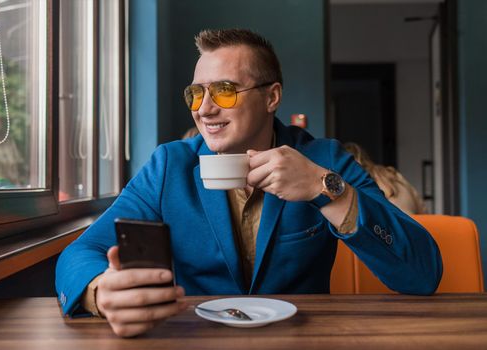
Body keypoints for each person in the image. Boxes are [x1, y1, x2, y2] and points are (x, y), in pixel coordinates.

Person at [55, 28, 442, 337]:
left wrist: (325, 188)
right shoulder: (168, 165)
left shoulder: (324, 160)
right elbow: (80, 252)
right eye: (195, 93)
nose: (204, 109)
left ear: (272, 97)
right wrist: (99, 293)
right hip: (196, 340)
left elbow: (422, 273)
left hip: (301, 341)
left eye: (223, 91)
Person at [343, 142, 426, 215]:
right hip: (418, 225)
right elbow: (422, 208)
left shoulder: (362, 182)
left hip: (396, 229)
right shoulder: (392, 173)